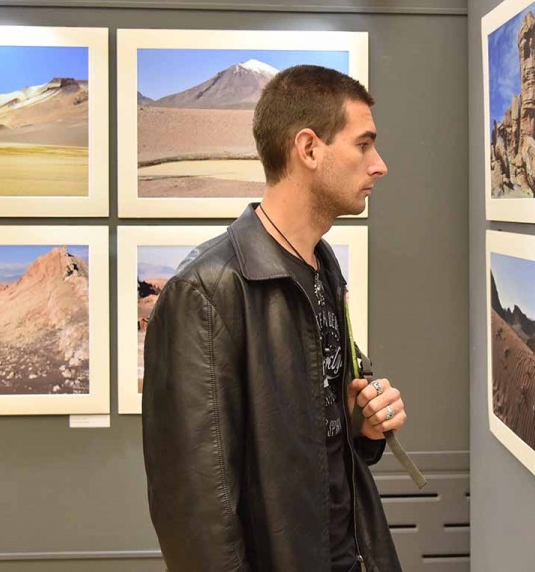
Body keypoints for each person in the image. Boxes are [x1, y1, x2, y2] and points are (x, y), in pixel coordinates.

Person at [142, 65, 407, 572]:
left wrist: (362, 424)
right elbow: (194, 517)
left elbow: (319, 432)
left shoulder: (321, 263)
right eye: (364, 144)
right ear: (309, 149)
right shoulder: (205, 292)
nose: (380, 165)